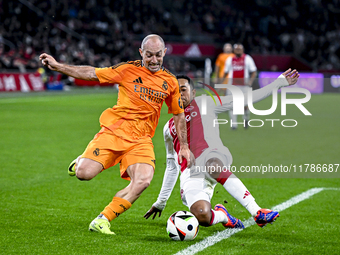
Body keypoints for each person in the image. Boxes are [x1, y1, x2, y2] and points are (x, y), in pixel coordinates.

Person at [39, 34, 194, 235]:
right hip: (114, 133)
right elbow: (92, 73)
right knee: (83, 174)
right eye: (149, 55)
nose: (154, 60)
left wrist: (184, 146)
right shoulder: (127, 70)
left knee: (143, 180)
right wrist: (59, 66)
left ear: (164, 53)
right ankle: (80, 162)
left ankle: (103, 219)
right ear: (141, 53)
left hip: (141, 141)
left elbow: (179, 115)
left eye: (158, 55)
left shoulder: (170, 82)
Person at [144, 70, 299, 229]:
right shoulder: (167, 128)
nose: (179, 94)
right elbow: (171, 166)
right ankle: (223, 215)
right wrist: (161, 202)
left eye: (183, 89)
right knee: (202, 215)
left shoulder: (205, 103)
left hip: (212, 156)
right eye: (175, 91)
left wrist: (278, 83)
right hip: (190, 174)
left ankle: (257, 211)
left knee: (211, 163)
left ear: (193, 92)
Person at [223, 43, 257, 129]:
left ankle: (246, 119)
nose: (238, 51)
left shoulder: (248, 58)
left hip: (244, 85)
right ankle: (234, 124)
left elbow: (253, 71)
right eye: (236, 49)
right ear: (234, 50)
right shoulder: (230, 59)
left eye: (239, 49)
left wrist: (250, 82)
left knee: (245, 105)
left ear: (243, 50)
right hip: (232, 85)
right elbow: (226, 72)